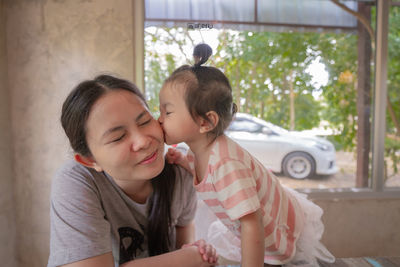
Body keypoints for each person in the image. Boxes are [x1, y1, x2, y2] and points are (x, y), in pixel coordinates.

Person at [158, 44, 336, 267]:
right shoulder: (202, 150)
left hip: (270, 233)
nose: (159, 119)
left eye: (168, 112)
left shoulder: (226, 164)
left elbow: (252, 221)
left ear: (205, 122)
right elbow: (206, 173)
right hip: (256, 227)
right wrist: (184, 162)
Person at [48, 74, 218, 267]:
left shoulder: (181, 171)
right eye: (118, 137)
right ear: (89, 160)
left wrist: (195, 255)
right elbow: (188, 257)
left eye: (145, 121)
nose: (143, 141)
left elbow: (185, 247)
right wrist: (191, 257)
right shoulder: (76, 181)